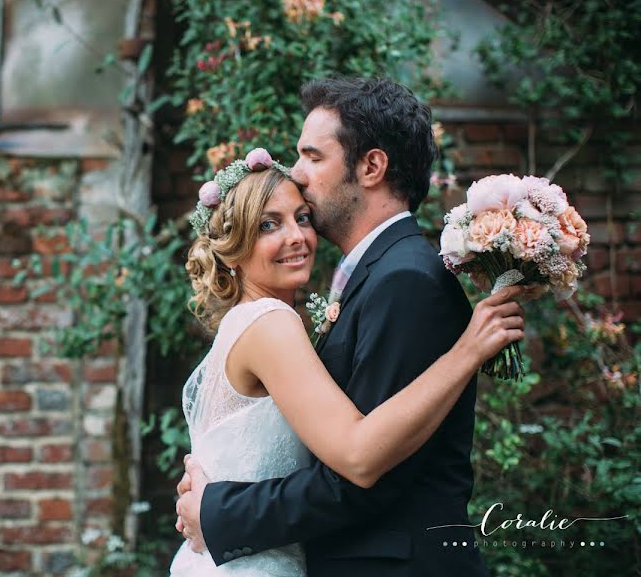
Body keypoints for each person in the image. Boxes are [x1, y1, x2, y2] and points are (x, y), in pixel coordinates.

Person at [173, 77, 519, 576]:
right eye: (270, 223)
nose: (298, 171)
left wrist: (219, 510)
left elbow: (364, 470)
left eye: (313, 156)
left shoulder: (405, 280)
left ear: (371, 167)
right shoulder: (362, 281)